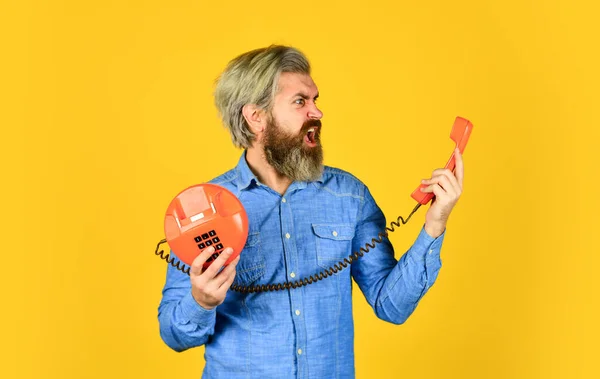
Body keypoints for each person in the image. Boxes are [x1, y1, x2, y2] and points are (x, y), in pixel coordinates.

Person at [157, 45, 464, 378]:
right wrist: (200, 300)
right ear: (256, 117)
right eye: (300, 102)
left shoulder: (349, 195)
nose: (316, 113)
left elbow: (393, 306)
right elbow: (174, 335)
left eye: (315, 100)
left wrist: (435, 224)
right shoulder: (203, 209)